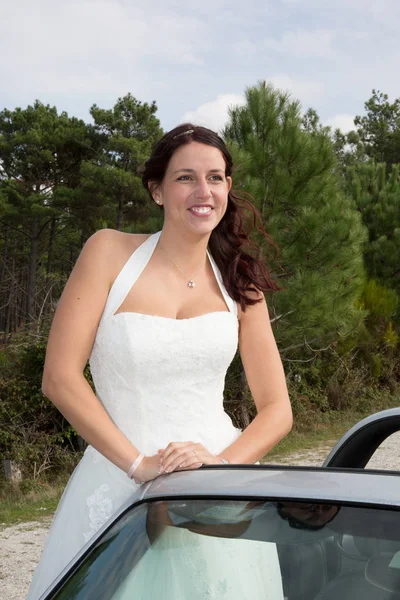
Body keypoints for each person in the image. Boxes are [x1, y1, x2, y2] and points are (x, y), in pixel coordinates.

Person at [26, 124, 292, 599]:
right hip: (119, 476)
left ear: (228, 187)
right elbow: (60, 377)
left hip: (217, 494)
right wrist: (139, 466)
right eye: (185, 177)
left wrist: (218, 469)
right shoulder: (108, 252)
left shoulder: (242, 286)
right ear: (157, 190)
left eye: (215, 177)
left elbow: (277, 409)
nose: (203, 191)